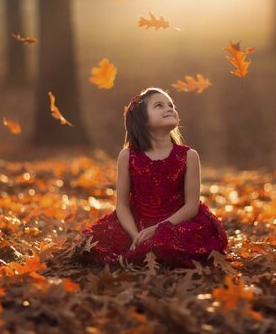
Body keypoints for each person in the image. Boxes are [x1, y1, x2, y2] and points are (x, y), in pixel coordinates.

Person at [80, 87, 229, 268]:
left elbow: (191, 206)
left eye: (171, 105)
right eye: (159, 105)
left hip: (176, 223)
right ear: (142, 120)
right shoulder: (128, 156)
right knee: (97, 244)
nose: (169, 108)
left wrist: (158, 229)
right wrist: (135, 235)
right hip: (136, 223)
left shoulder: (189, 156)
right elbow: (122, 205)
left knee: (171, 245)